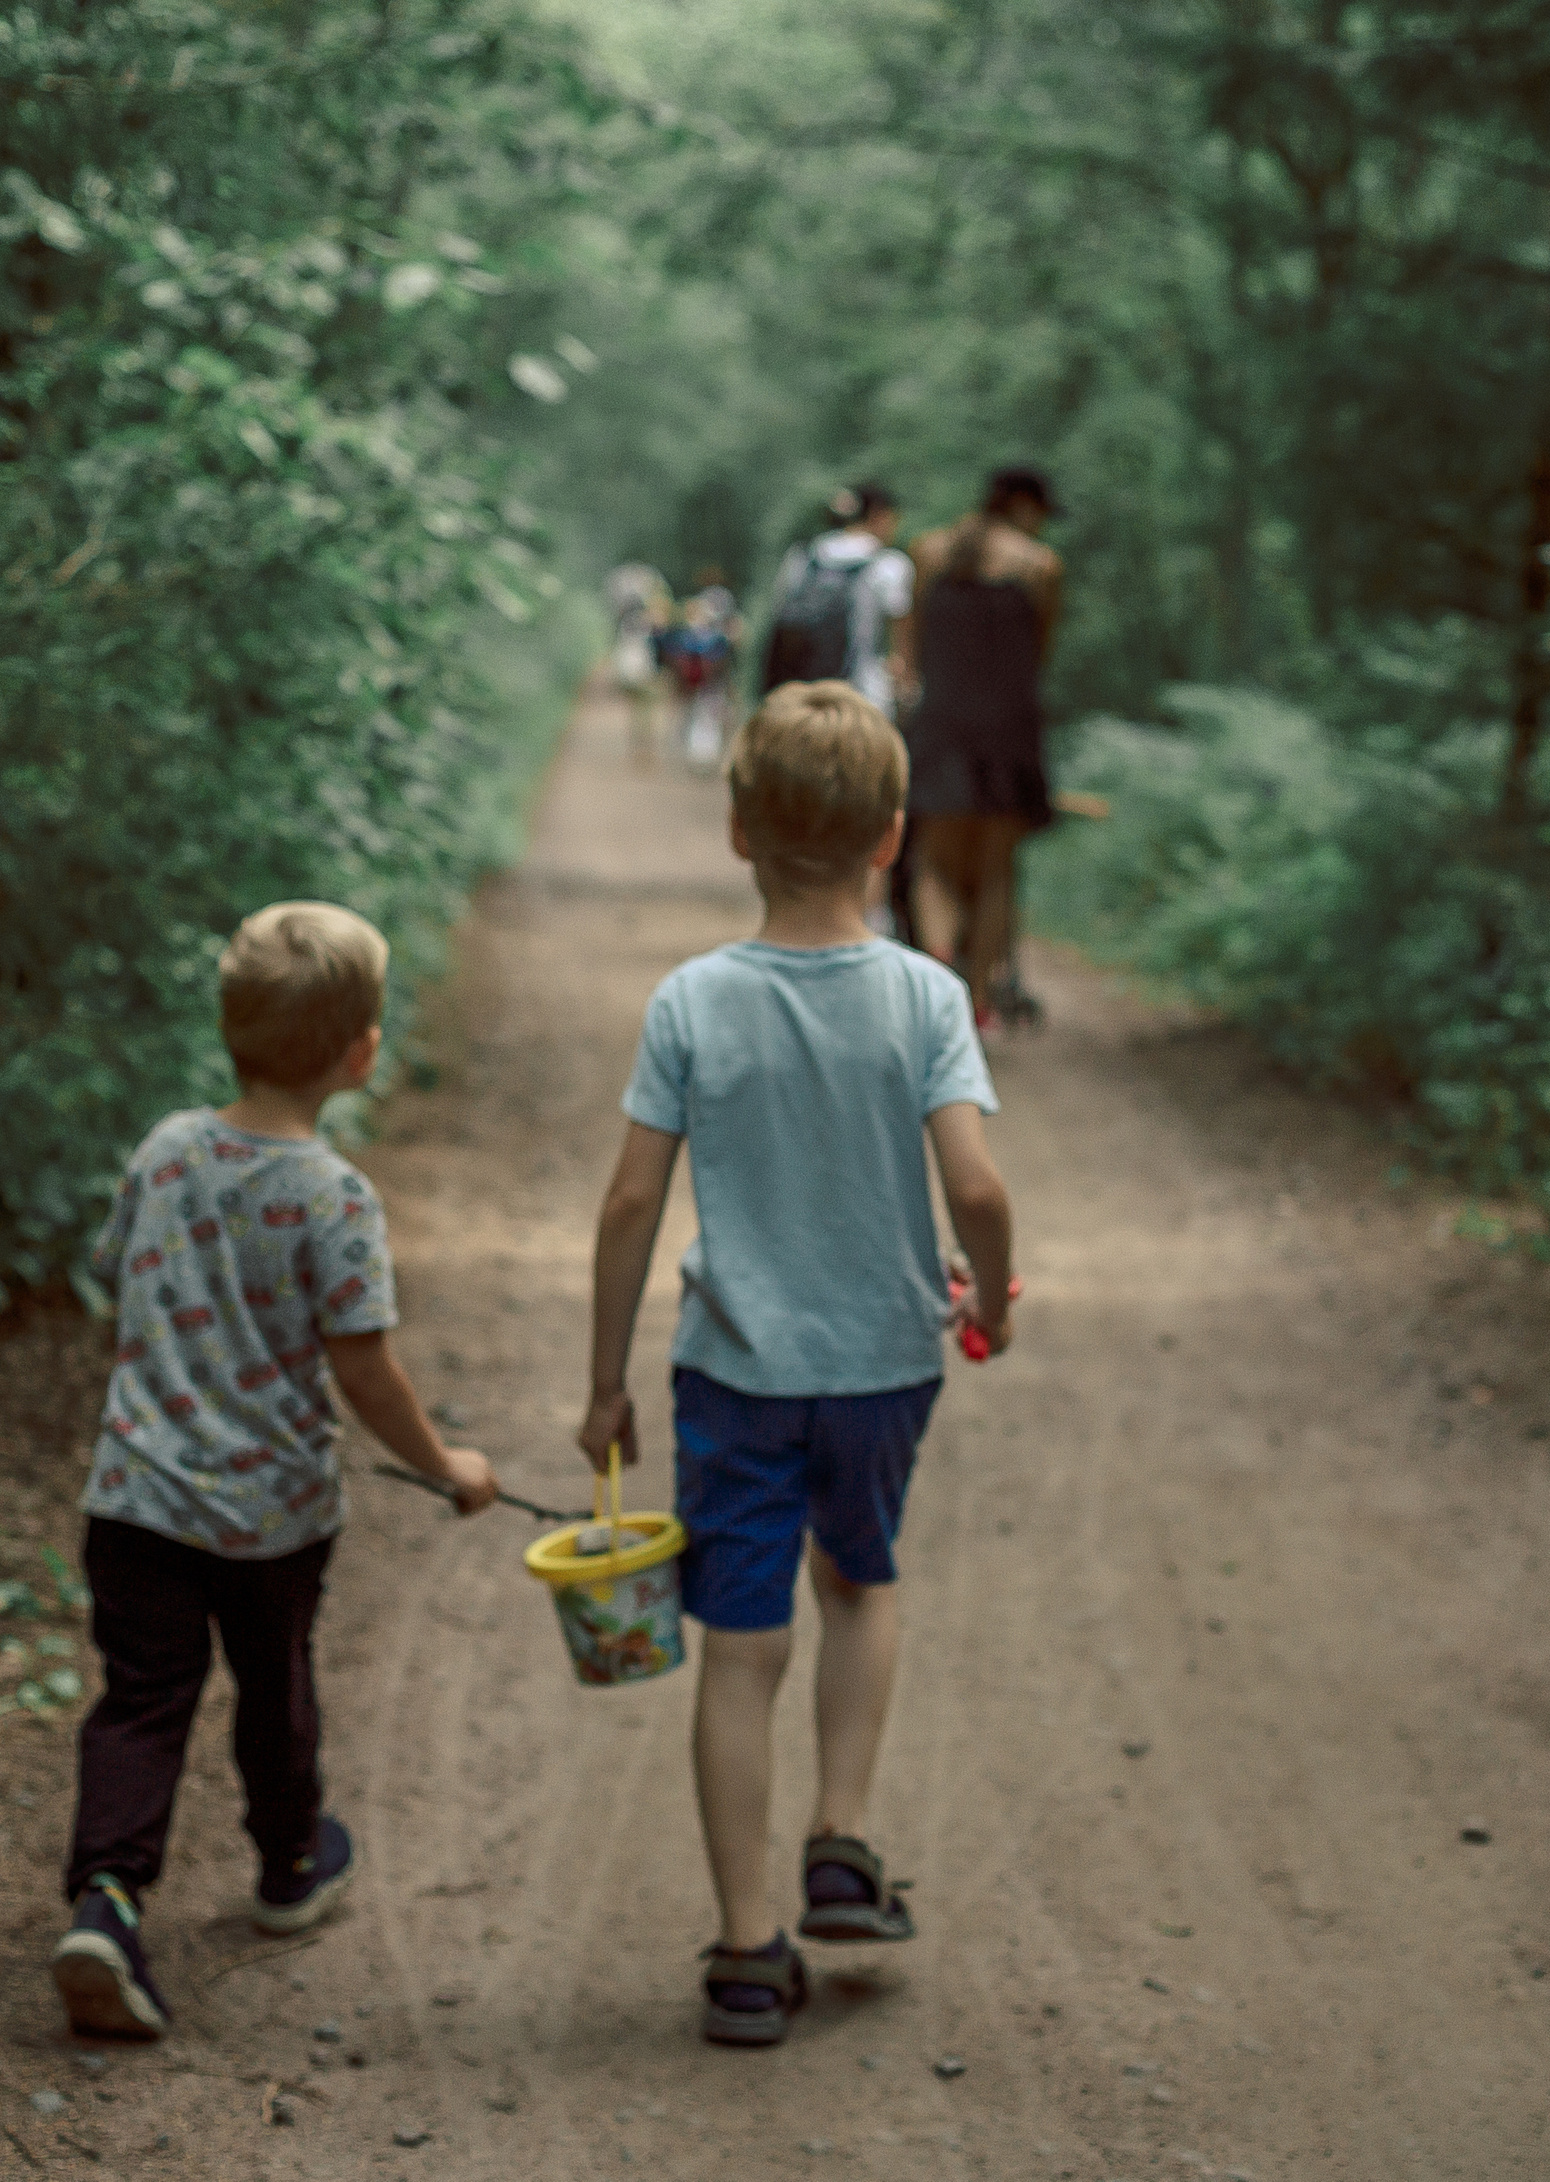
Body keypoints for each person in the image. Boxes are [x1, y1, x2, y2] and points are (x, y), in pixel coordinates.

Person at [576, 682, 1017, 2047]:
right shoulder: (926, 994)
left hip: (734, 1375)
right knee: (861, 1578)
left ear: (737, 831)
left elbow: (631, 1203)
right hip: (883, 1364)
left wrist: (604, 1383)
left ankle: (747, 1949)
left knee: (742, 1641)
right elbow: (978, 1190)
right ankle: (842, 1836)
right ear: (891, 838)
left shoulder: (693, 1000)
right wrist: (989, 1295)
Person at [52, 902, 499, 2040]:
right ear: (359, 1052)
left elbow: (118, 1282)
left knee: (142, 1699)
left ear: (228, 1028)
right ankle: (290, 1864)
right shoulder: (334, 1197)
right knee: (273, 1685)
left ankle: (106, 1897)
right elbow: (365, 1370)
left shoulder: (165, 1149)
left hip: (138, 1500)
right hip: (271, 1519)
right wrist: (445, 1464)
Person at [902, 466, 1065, 1031]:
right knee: (997, 869)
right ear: (1022, 506)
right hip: (1008, 733)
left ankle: (939, 974)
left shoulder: (928, 552)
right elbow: (1040, 654)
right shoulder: (1041, 567)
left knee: (932, 863)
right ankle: (974, 1003)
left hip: (942, 724)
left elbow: (912, 644)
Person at [760, 485, 915, 717]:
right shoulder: (888, 564)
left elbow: (781, 616)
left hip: (801, 694)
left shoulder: (803, 556)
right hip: (861, 693)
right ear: (879, 514)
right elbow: (901, 644)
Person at [659, 587, 739, 775]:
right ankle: (699, 759)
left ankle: (704, 760)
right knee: (697, 721)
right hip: (697, 687)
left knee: (707, 722)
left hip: (707, 687)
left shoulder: (713, 638)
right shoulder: (696, 637)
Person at [606, 563, 673, 773]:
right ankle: (644, 750)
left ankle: (640, 750)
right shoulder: (646, 620)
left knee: (640, 711)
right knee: (647, 711)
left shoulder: (627, 621)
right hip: (645, 672)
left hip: (636, 672)